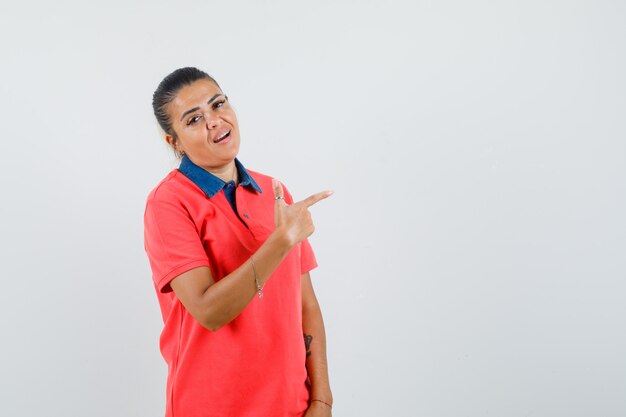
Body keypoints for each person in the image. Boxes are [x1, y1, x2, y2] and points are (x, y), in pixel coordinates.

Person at [144, 67, 334, 417]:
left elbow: (306, 305)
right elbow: (209, 311)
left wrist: (321, 400)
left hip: (291, 406)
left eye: (218, 104)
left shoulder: (274, 192)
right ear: (174, 142)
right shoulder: (168, 203)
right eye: (194, 119)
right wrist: (279, 242)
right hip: (211, 406)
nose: (214, 121)